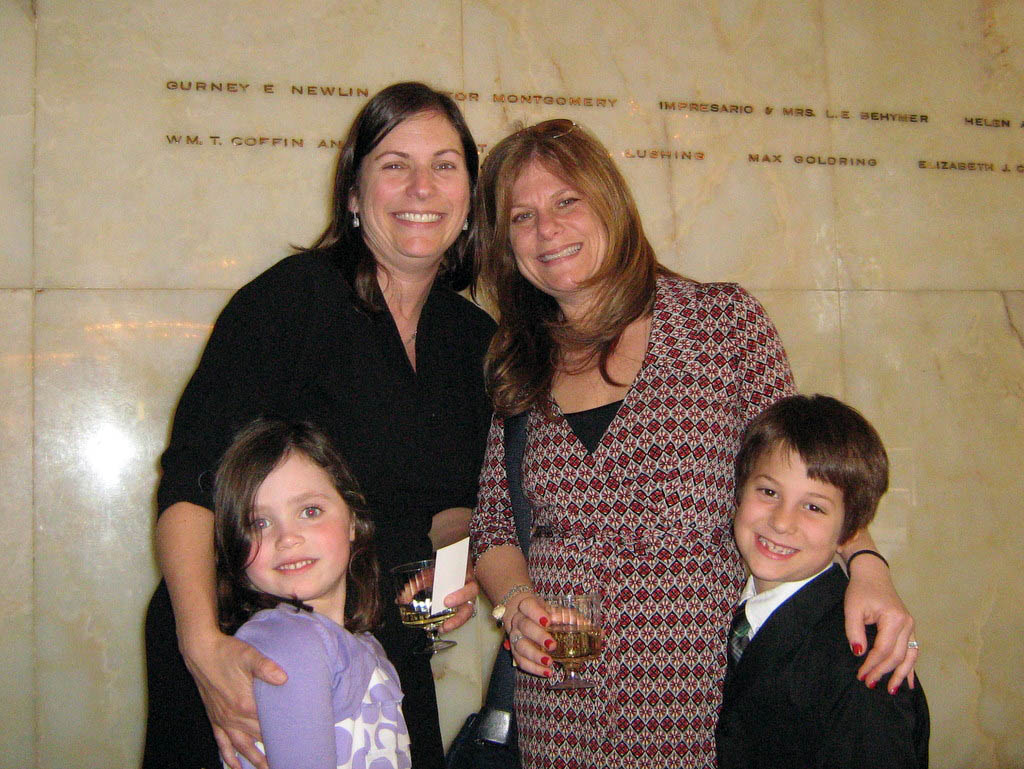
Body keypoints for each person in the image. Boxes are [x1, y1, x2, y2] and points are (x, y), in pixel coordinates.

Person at [469, 119, 918, 768]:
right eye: (522, 216)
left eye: (567, 200)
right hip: (560, 707)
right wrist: (516, 606)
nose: (547, 228)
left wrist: (869, 567)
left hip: (705, 702)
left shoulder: (721, 323)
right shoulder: (519, 363)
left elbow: (808, 471)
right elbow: (494, 525)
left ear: (610, 204)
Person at [143, 82, 495, 769]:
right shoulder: (290, 301)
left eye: (444, 165)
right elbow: (190, 485)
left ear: (469, 198)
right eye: (394, 164)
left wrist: (447, 575)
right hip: (253, 649)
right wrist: (202, 646)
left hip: (383, 650)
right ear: (355, 196)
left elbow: (455, 506)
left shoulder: (473, 339)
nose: (421, 187)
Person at [715, 394, 929, 768]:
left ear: (849, 530)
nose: (782, 521)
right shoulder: (732, 614)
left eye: (813, 507)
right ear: (738, 492)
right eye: (768, 492)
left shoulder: (862, 666)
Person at [214, 418, 410, 769]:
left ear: (352, 520)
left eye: (309, 511)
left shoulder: (360, 645)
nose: (287, 538)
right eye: (259, 523)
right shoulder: (288, 644)